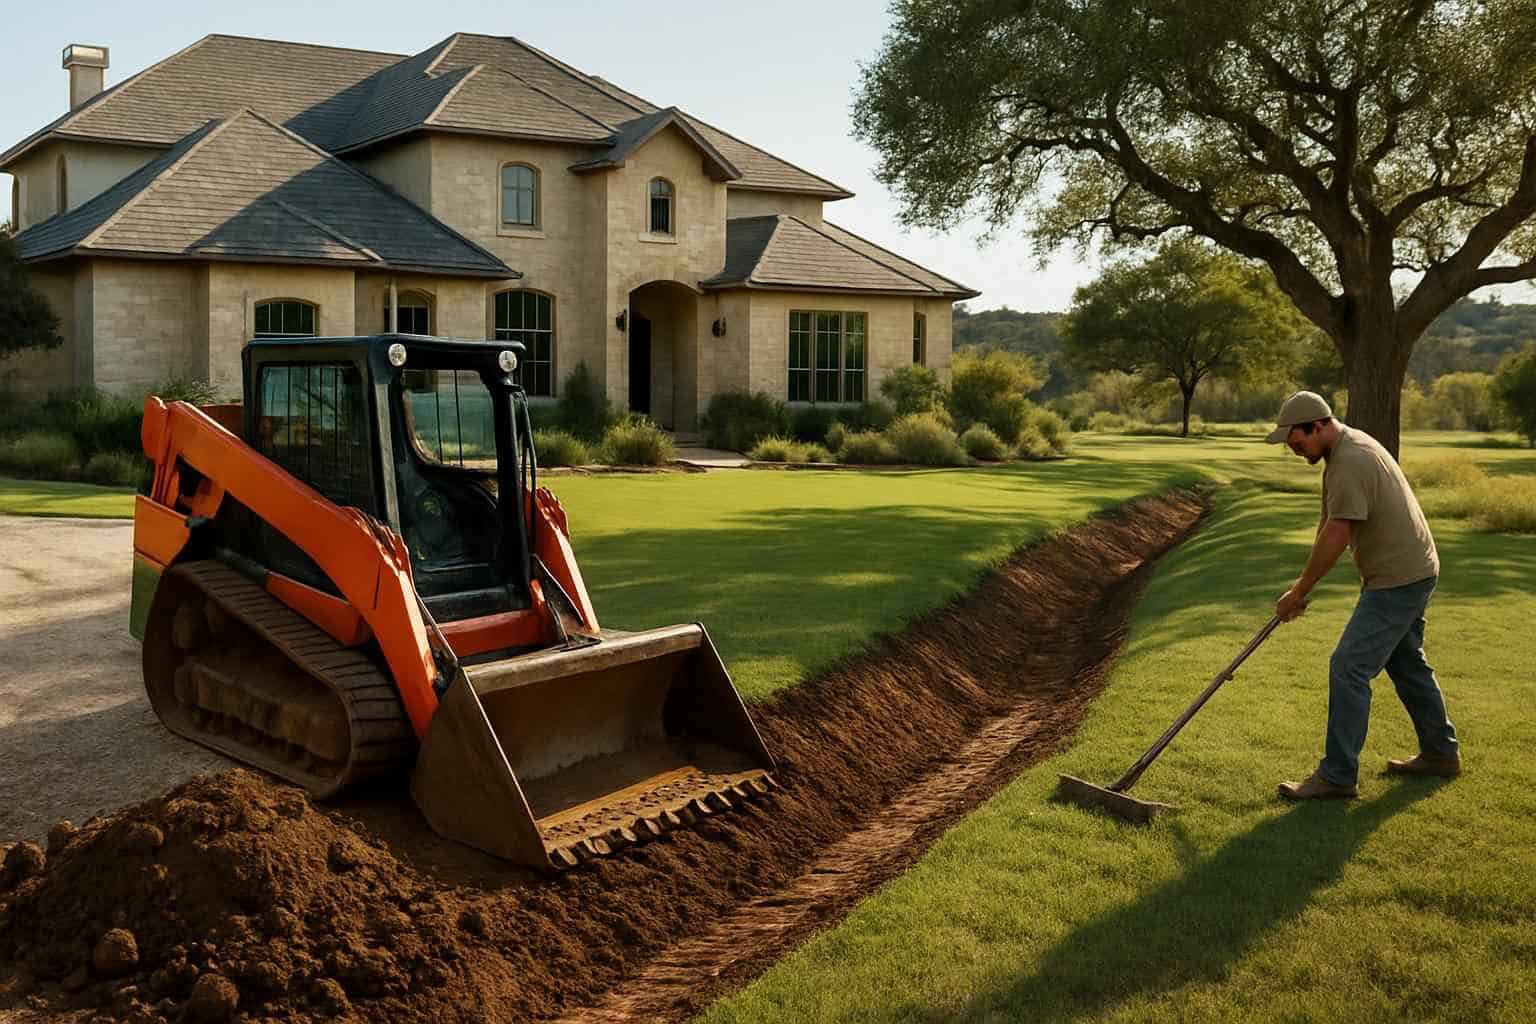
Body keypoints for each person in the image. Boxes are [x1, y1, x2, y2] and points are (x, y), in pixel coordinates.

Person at [1265, 391, 1461, 800]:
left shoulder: (1350, 461)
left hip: (1398, 578)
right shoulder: (1346, 448)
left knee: (1348, 666)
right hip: (1414, 569)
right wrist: (1300, 589)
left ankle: (1337, 776)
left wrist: (1300, 590)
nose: (1294, 449)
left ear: (1317, 425)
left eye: (1296, 441)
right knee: (1407, 664)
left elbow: (1339, 532)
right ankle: (1441, 753)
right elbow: (1329, 524)